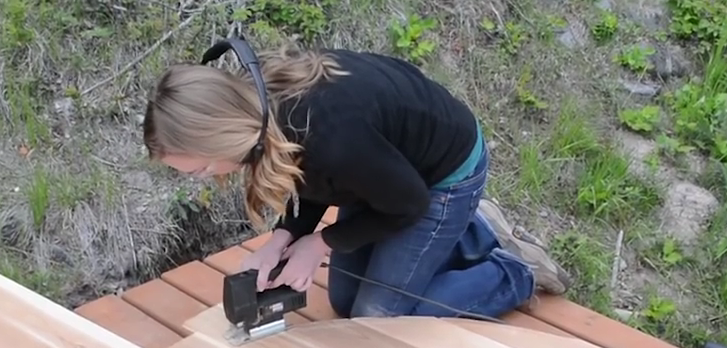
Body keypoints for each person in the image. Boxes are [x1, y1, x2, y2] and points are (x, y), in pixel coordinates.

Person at [142, 42, 570, 319]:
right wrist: (282, 239)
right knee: (345, 303)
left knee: (379, 317)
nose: (200, 179)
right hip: (382, 173)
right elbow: (313, 179)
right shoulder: (264, 113)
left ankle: (514, 271)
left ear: (221, 134)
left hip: (440, 178)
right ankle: (474, 232)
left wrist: (320, 243)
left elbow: (408, 204)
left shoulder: (330, 134)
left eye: (198, 169)